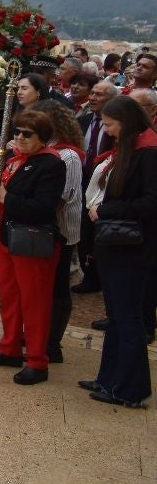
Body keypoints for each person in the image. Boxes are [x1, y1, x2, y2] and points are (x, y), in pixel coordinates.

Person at [0, 110, 66, 384]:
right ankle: (10, 347)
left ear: (42, 137)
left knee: (34, 302)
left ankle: (38, 361)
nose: (19, 137)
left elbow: (43, 207)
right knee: (11, 297)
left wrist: (6, 198)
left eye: (27, 134)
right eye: (17, 131)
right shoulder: (11, 159)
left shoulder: (51, 164)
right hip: (6, 238)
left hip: (32, 241)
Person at [82, 96, 156, 407]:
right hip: (115, 245)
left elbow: (151, 202)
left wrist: (108, 209)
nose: (107, 130)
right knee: (116, 316)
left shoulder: (149, 153)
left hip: (133, 248)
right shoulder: (127, 151)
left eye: (110, 124)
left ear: (126, 123)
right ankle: (109, 378)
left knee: (128, 318)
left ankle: (130, 387)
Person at [30, 99, 84, 362]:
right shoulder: (43, 149)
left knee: (58, 285)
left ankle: (53, 343)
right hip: (42, 227)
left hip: (60, 230)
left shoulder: (68, 155)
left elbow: (63, 198)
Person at [73, 79, 119, 293]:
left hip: (104, 187)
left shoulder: (116, 128)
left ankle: (101, 276)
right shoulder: (83, 121)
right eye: (92, 93)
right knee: (84, 232)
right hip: (82, 183)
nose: (92, 98)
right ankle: (89, 275)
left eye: (99, 95)